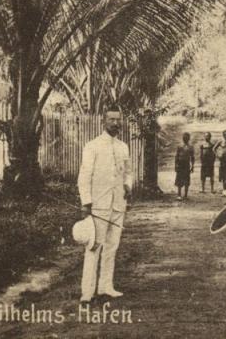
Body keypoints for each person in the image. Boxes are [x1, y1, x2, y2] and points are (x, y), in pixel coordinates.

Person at [77, 106, 133, 303]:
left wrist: (128, 185)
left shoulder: (123, 146)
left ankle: (106, 287)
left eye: (118, 120)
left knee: (112, 247)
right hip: (98, 205)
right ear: (104, 121)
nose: (116, 123)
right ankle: (87, 292)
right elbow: (84, 176)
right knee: (94, 247)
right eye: (111, 119)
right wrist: (86, 202)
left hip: (118, 204)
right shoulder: (93, 146)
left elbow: (128, 172)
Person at [174, 133, 195, 201]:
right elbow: (176, 156)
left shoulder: (190, 147)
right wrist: (176, 165)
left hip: (186, 165)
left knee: (186, 180)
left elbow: (192, 157)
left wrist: (192, 166)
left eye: (186, 137)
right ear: (182, 138)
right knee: (179, 180)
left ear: (188, 139)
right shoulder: (179, 146)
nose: (185, 139)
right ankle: (179, 195)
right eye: (184, 137)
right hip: (180, 164)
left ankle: (185, 195)